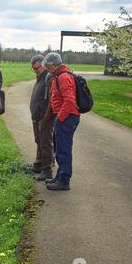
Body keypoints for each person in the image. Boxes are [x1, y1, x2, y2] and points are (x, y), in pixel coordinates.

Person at [43, 52, 80, 191]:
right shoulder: (59, 75)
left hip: (67, 118)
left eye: (48, 66)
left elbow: (69, 101)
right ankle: (60, 176)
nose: (46, 68)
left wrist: (60, 118)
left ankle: (64, 181)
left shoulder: (63, 77)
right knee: (59, 149)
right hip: (65, 117)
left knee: (63, 150)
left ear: (55, 64)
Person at [30, 55, 55, 181]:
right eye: (33, 69)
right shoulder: (40, 77)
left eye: (36, 68)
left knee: (45, 143)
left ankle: (47, 170)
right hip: (37, 116)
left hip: (45, 117)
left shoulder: (48, 77)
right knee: (39, 140)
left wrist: (46, 116)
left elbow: (51, 99)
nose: (35, 70)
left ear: (44, 65)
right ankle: (39, 164)